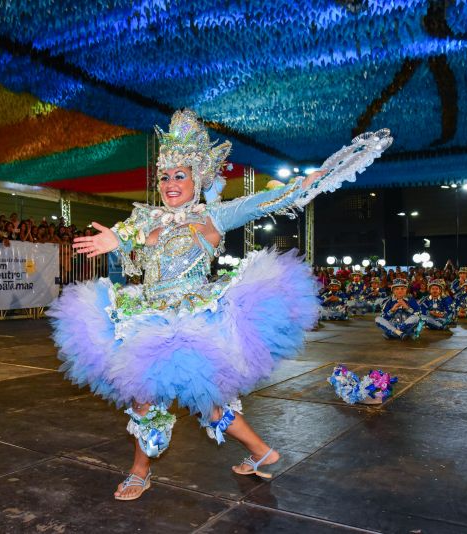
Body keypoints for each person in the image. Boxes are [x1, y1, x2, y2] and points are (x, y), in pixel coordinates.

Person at [48, 109, 392, 501]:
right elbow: (123, 237)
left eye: (180, 175)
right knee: (149, 399)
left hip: (194, 319)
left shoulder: (214, 214)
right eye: (164, 176)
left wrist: (314, 179)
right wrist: (115, 241)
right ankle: (258, 453)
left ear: (198, 177)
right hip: (148, 317)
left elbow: (269, 199)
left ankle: (145, 472)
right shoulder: (145, 218)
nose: (170, 183)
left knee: (201, 403)